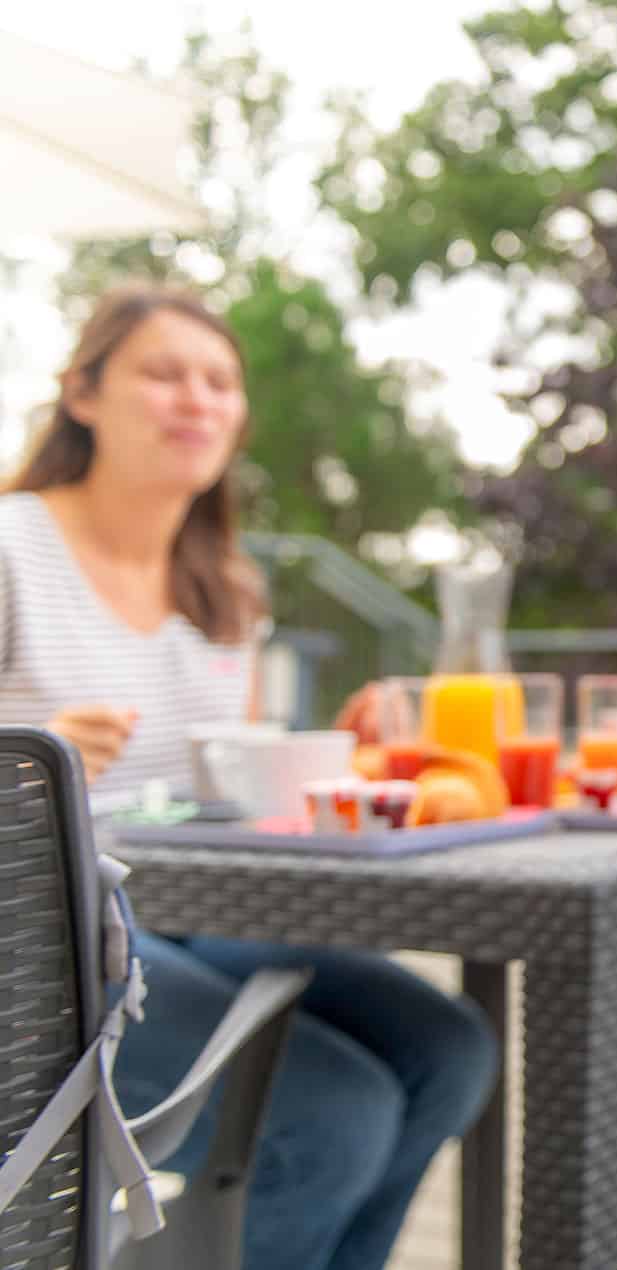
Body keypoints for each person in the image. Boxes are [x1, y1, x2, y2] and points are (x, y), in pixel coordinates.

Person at [0, 285, 499, 1270]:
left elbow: (219, 787)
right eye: (164, 372)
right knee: (336, 1109)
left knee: (451, 1049)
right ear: (83, 394)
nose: (198, 398)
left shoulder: (225, 588)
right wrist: (30, 756)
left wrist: (339, 749)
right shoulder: (12, 548)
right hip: (37, 944)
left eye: (220, 381)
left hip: (182, 914)